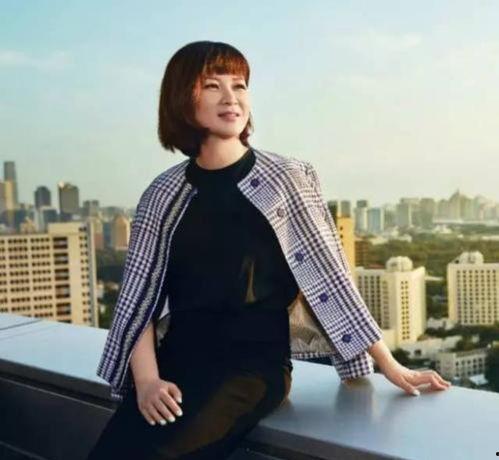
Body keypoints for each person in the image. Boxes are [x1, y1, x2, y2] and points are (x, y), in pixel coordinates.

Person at [87, 40, 451, 460]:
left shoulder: (287, 179)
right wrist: (148, 381)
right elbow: (138, 299)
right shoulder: (163, 194)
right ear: (181, 99)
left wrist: (391, 365)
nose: (231, 97)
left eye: (240, 85)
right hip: (176, 361)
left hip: (251, 367)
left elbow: (331, 276)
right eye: (212, 86)